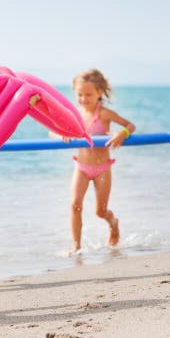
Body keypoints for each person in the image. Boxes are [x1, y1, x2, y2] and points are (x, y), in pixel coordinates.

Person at [68, 68, 135, 254]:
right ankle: (76, 246)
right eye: (79, 94)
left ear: (99, 92)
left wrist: (123, 133)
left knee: (100, 211)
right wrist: (61, 134)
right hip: (81, 167)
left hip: (102, 168)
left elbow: (130, 125)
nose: (83, 98)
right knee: (75, 205)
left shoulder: (104, 114)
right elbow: (52, 130)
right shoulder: (74, 113)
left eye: (88, 94)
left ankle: (113, 222)